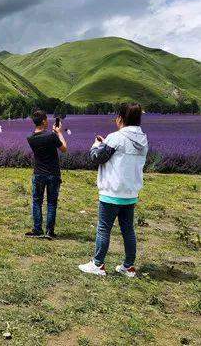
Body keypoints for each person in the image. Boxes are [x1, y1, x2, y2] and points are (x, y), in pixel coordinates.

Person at [79, 103, 148, 278]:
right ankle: (129, 266)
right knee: (128, 229)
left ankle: (98, 264)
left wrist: (96, 145)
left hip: (112, 192)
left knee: (103, 228)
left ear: (121, 118)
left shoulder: (116, 137)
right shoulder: (143, 140)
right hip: (130, 192)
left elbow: (97, 158)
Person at [25, 110, 67, 239]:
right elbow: (64, 149)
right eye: (46, 119)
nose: (48, 121)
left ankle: (37, 229)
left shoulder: (30, 138)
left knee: (37, 201)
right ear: (43, 121)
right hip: (53, 173)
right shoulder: (51, 136)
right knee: (51, 203)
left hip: (38, 173)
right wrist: (59, 133)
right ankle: (49, 231)